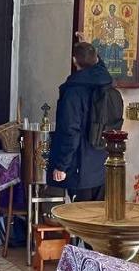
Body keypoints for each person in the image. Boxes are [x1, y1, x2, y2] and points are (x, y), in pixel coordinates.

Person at [48, 42, 120, 202]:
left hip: (80, 167)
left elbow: (70, 131)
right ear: (96, 59)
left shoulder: (73, 92)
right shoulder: (105, 83)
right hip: (102, 163)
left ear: (74, 60)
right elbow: (98, 66)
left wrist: (62, 165)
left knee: (80, 215)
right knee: (98, 213)